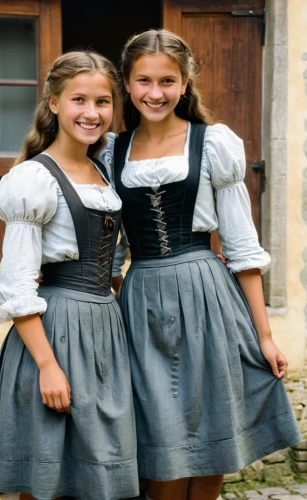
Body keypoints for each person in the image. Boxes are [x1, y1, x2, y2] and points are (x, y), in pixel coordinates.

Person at [97, 29, 302, 500]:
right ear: (126, 84)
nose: (155, 93)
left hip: (208, 295)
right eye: (143, 81)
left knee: (212, 439)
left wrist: (264, 335)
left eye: (167, 80)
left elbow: (242, 247)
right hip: (142, 300)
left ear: (185, 83)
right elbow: (109, 251)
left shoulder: (213, 144)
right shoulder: (111, 153)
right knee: (161, 445)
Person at [0, 51, 139, 500]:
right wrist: (47, 366)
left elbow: (111, 264)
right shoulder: (33, 180)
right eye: (79, 99)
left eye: (102, 102)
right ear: (54, 102)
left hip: (105, 331)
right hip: (55, 334)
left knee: (97, 474)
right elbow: (17, 286)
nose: (92, 112)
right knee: (49, 478)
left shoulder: (102, 173)